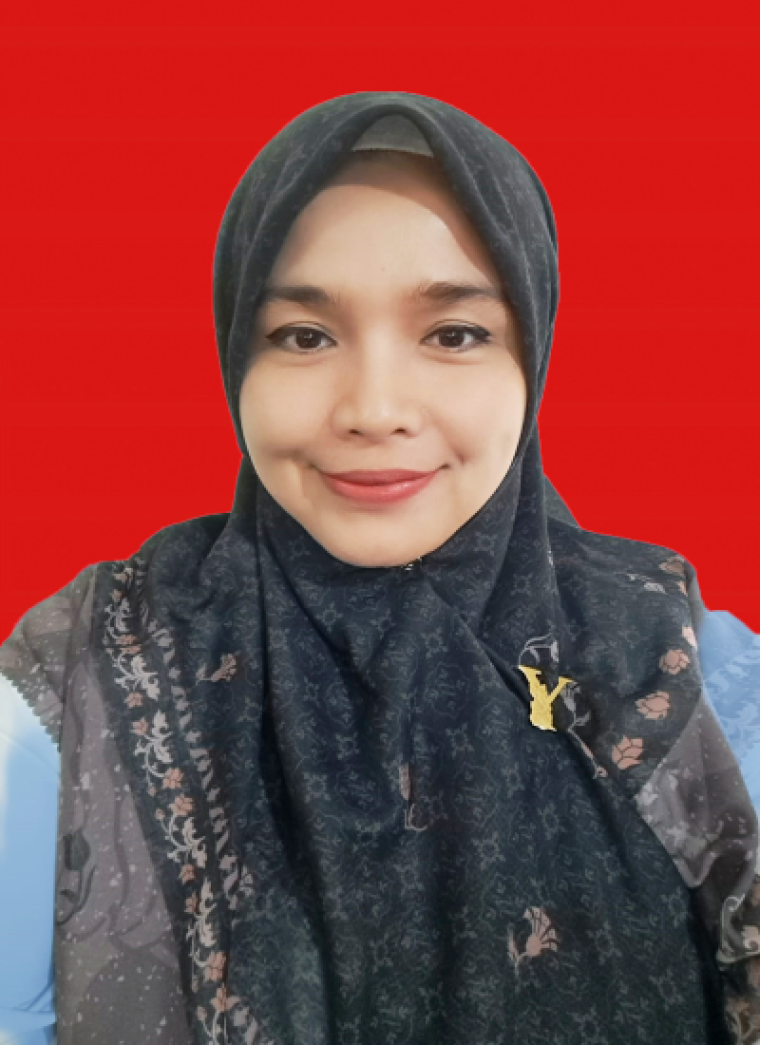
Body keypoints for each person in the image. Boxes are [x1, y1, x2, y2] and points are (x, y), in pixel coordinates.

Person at [1, 91, 759, 1045]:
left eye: (454, 334)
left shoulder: (685, 671)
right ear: (237, 354)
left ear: (532, 353)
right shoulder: (89, 677)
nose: (373, 408)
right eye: (304, 336)